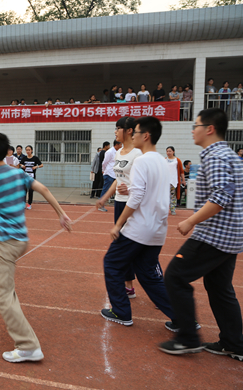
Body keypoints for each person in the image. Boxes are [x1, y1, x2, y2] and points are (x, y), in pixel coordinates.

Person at [0, 132, 72, 363]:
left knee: (3, 294)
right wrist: (61, 214)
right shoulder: (18, 173)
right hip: (20, 240)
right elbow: (44, 189)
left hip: (6, 244)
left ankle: (28, 345)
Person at [160, 108, 243, 361]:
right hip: (232, 236)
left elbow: (221, 196)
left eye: (196, 125)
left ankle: (188, 338)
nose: (193, 129)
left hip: (215, 235)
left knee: (175, 277)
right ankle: (234, 344)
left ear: (209, 129)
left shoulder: (215, 156)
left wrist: (190, 221)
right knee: (219, 287)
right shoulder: (228, 154)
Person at [100, 116, 176, 329]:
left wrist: (118, 225)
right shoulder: (161, 160)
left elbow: (136, 198)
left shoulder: (141, 159)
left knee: (112, 263)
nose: (132, 135)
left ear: (146, 135)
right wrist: (128, 189)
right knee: (148, 274)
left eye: (136, 131)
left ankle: (121, 312)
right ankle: (182, 318)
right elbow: (153, 191)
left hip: (140, 226)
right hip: (158, 227)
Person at [96, 117, 142, 299]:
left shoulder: (139, 154)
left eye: (118, 128)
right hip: (120, 203)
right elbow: (118, 179)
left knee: (137, 246)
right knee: (123, 243)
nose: (115, 132)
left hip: (134, 204)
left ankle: (157, 285)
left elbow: (142, 183)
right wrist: (105, 198)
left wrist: (129, 189)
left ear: (129, 130)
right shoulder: (119, 152)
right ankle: (129, 285)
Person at [99, 140, 122, 211]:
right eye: (120, 144)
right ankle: (101, 205)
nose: (121, 146)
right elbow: (104, 162)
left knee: (117, 190)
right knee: (106, 190)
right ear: (116, 145)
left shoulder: (119, 152)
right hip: (109, 174)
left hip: (115, 174)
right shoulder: (109, 152)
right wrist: (103, 170)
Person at [19, 145, 43, 210]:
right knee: (24, 190)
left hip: (32, 177)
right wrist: (22, 166)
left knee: (30, 191)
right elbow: (20, 164)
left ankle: (29, 204)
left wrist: (36, 167)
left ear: (31, 150)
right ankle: (23, 203)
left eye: (29, 150)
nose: (28, 151)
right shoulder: (24, 158)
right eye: (26, 150)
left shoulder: (35, 158)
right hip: (25, 176)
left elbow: (41, 165)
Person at [165, 146, 185, 215]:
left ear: (173, 152)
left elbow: (181, 171)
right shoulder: (164, 160)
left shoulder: (177, 160)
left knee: (173, 196)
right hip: (165, 181)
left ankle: (173, 209)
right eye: (167, 151)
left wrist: (183, 180)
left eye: (170, 151)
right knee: (165, 196)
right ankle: (165, 210)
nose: (168, 152)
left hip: (173, 181)